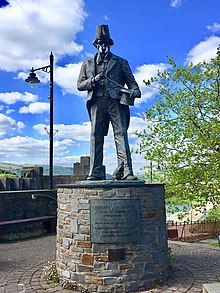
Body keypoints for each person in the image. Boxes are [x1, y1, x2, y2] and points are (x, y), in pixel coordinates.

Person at [77, 25, 141, 180]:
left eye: (106, 43)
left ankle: (126, 171)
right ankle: (95, 172)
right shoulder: (87, 64)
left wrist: (135, 91)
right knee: (95, 135)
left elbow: (133, 84)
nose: (103, 46)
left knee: (121, 134)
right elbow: (80, 85)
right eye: (100, 44)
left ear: (110, 45)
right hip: (97, 102)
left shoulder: (121, 62)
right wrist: (93, 80)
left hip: (116, 102)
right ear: (96, 45)